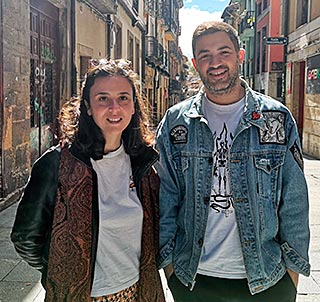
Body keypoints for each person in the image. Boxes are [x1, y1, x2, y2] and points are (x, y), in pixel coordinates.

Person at [156, 21, 310, 302]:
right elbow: (165, 198)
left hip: (267, 279)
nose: (215, 62)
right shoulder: (176, 123)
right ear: (194, 63)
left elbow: (295, 201)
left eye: (223, 52)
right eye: (205, 55)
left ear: (239, 55)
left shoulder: (275, 118)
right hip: (193, 279)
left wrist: (292, 276)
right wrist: (170, 270)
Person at [11, 59, 165, 302]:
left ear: (134, 106)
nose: (115, 108)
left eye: (123, 98)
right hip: (82, 295)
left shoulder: (142, 162)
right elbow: (25, 237)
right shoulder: (56, 164)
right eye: (103, 98)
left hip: (139, 290)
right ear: (88, 107)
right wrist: (61, 270)